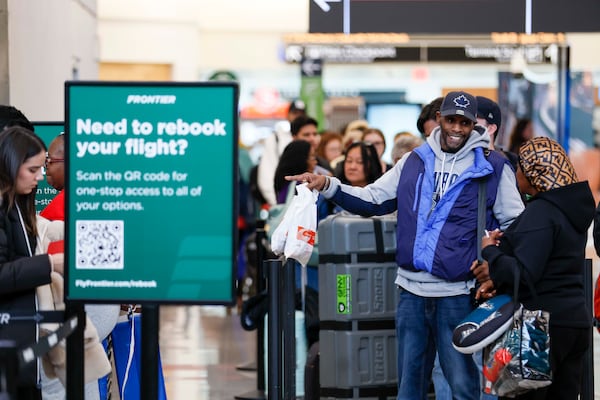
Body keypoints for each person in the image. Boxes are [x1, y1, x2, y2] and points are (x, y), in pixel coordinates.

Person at [286, 91, 524, 400]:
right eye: (451, 120)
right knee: (409, 385)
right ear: (439, 120)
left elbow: (516, 225)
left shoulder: (493, 167)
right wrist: (328, 186)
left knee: (463, 386)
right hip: (410, 292)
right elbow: (372, 198)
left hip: (457, 294)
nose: (456, 129)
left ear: (473, 125)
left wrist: (495, 263)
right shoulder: (415, 160)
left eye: (464, 123)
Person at [474, 137, 595, 400]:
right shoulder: (571, 211)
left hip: (540, 327)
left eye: (519, 168)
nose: (516, 173)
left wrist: (490, 251)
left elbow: (523, 274)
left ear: (533, 172)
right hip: (574, 322)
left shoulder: (542, 213)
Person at [39, 133, 119, 400]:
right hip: (102, 307)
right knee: (82, 378)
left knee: (59, 383)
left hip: (83, 309)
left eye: (51, 160)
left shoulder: (65, 204)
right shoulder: (96, 196)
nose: (45, 168)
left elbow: (52, 270)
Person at [0, 126, 64, 400]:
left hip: (23, 340)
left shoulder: (16, 203)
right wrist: (49, 264)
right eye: (32, 169)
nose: (40, 176)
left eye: (42, 167)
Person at [257, 99, 307, 206]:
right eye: (295, 113)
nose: (298, 116)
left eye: (301, 114)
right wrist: (278, 203)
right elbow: (267, 173)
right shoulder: (276, 139)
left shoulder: (311, 140)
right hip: (283, 201)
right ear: (288, 115)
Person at [476, 96, 518, 172]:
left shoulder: (510, 164)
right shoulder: (458, 158)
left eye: (474, 122)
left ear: (491, 129)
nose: (466, 126)